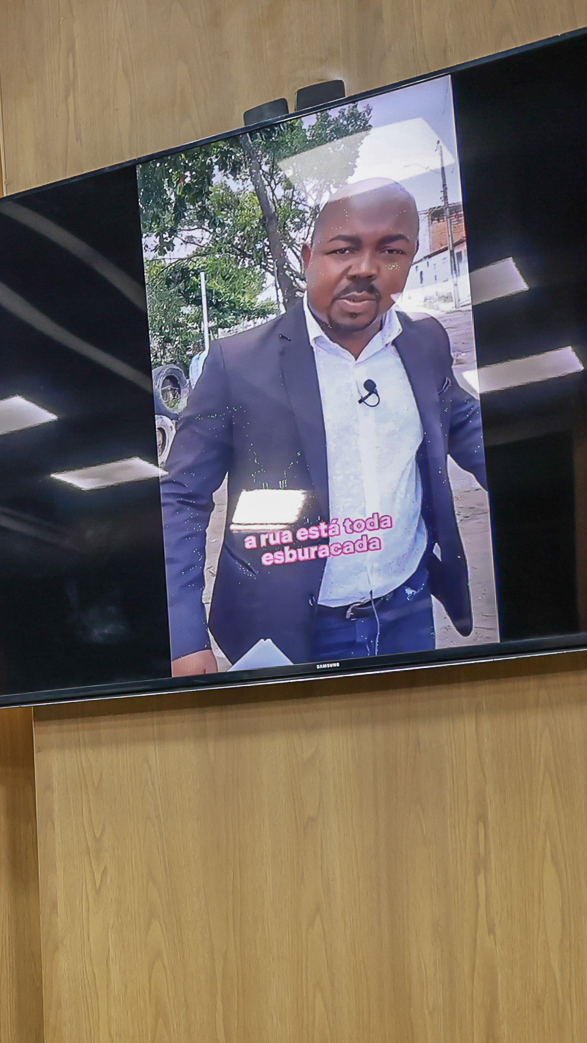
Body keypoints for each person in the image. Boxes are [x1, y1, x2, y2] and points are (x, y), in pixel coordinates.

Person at [160, 177, 487, 674]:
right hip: (284, 628)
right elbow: (181, 496)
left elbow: (463, 422)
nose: (366, 269)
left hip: (407, 610)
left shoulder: (425, 342)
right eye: (343, 249)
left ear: (411, 259)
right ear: (308, 257)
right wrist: (183, 634)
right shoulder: (237, 364)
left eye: (391, 251)